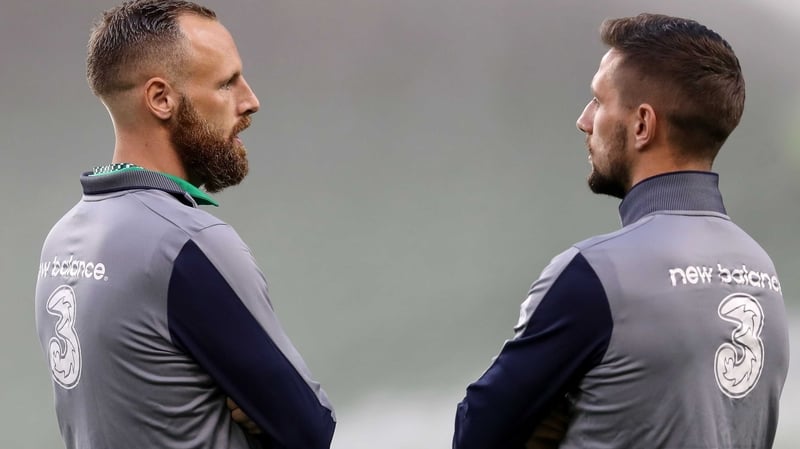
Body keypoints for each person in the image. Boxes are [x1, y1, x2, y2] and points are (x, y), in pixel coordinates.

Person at [453, 13, 789, 449]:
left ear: (642, 125)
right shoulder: (764, 273)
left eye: (598, 100)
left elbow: (475, 435)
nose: (584, 119)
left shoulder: (594, 275)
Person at [33, 1, 335, 448]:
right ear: (160, 99)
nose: (251, 100)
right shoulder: (187, 244)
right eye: (227, 83)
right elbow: (311, 429)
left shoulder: (60, 242)